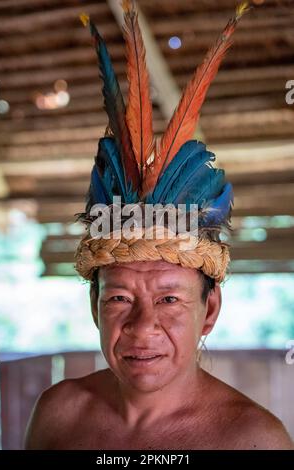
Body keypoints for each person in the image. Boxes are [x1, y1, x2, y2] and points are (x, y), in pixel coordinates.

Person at [25, 1, 293, 450]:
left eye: (169, 297)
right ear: (95, 307)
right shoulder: (58, 414)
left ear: (209, 310)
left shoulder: (253, 441)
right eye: (119, 298)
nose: (141, 326)